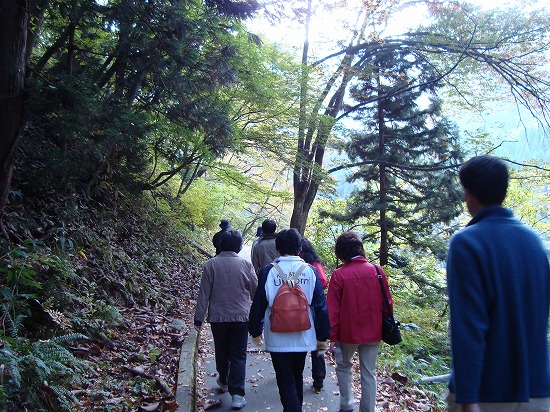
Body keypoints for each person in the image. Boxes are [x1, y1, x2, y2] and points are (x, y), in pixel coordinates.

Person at [446, 155, 550, 412]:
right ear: (503, 192)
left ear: (468, 194)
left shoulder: (467, 243)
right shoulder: (535, 243)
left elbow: (468, 326)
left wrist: (468, 398)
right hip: (538, 392)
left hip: (486, 394)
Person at [249, 228, 330, 411]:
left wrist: (255, 330)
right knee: (297, 376)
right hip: (304, 334)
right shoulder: (310, 271)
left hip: (277, 336)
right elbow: (320, 306)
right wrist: (323, 336)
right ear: (299, 247)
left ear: (277, 248)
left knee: (285, 380)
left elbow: (259, 303)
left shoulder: (268, 271)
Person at [327, 231, 393, 412]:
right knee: (369, 373)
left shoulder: (339, 275)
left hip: (347, 333)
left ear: (341, 252)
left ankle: (347, 405)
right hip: (374, 331)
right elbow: (387, 302)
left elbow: (333, 310)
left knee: (343, 366)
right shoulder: (377, 271)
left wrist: (332, 336)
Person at [194, 230, 258, 409]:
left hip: (218, 317)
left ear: (221, 244)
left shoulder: (211, 265)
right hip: (241, 317)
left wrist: (198, 318)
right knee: (238, 355)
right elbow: (255, 291)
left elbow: (204, 294)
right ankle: (237, 395)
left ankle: (223, 380)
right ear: (239, 246)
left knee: (221, 351)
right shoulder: (246, 265)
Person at [299, 238, 329, 393]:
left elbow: (322, 281)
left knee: (306, 344)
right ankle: (318, 379)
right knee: (317, 346)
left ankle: (314, 377)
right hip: (315, 308)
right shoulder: (315, 264)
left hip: (304, 308)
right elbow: (323, 281)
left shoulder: (308, 265)